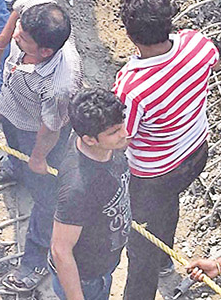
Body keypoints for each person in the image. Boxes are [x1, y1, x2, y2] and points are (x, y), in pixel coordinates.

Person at [114, 0, 218, 300]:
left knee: (141, 244)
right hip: (196, 152)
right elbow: (208, 62)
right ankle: (164, 262)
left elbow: (124, 136)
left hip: (153, 175)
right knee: (168, 206)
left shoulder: (131, 84)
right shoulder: (199, 44)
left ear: (130, 34)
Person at [0, 0, 81, 295]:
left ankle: (35, 261)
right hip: (14, 108)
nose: (16, 37)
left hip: (40, 132)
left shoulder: (60, 85)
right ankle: (16, 165)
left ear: (45, 52)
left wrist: (38, 158)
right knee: (13, 141)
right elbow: (19, 9)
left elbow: (51, 129)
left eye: (21, 39)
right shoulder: (41, 12)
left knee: (46, 196)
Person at [51, 89, 131, 300]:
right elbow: (60, 249)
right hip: (86, 278)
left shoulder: (109, 147)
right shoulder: (77, 188)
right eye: (114, 132)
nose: (124, 133)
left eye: (121, 125)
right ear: (89, 139)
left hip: (104, 263)